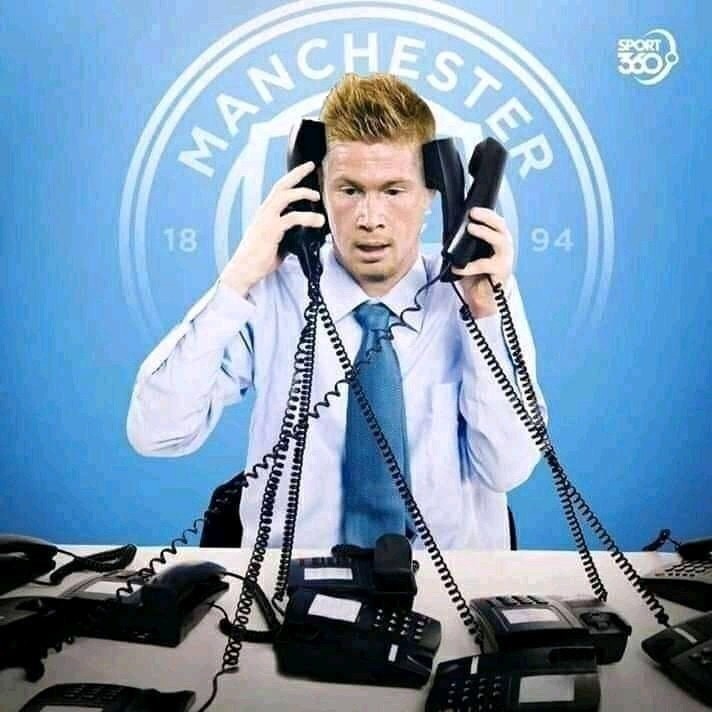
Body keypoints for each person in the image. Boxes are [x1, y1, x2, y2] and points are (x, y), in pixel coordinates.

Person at [126, 73, 547, 550]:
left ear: (435, 192)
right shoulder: (271, 293)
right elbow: (156, 433)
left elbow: (508, 467)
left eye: (393, 191)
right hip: (293, 583)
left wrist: (484, 313)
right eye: (349, 190)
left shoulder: (476, 296)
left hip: (449, 583)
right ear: (316, 190)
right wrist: (237, 279)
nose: (370, 218)